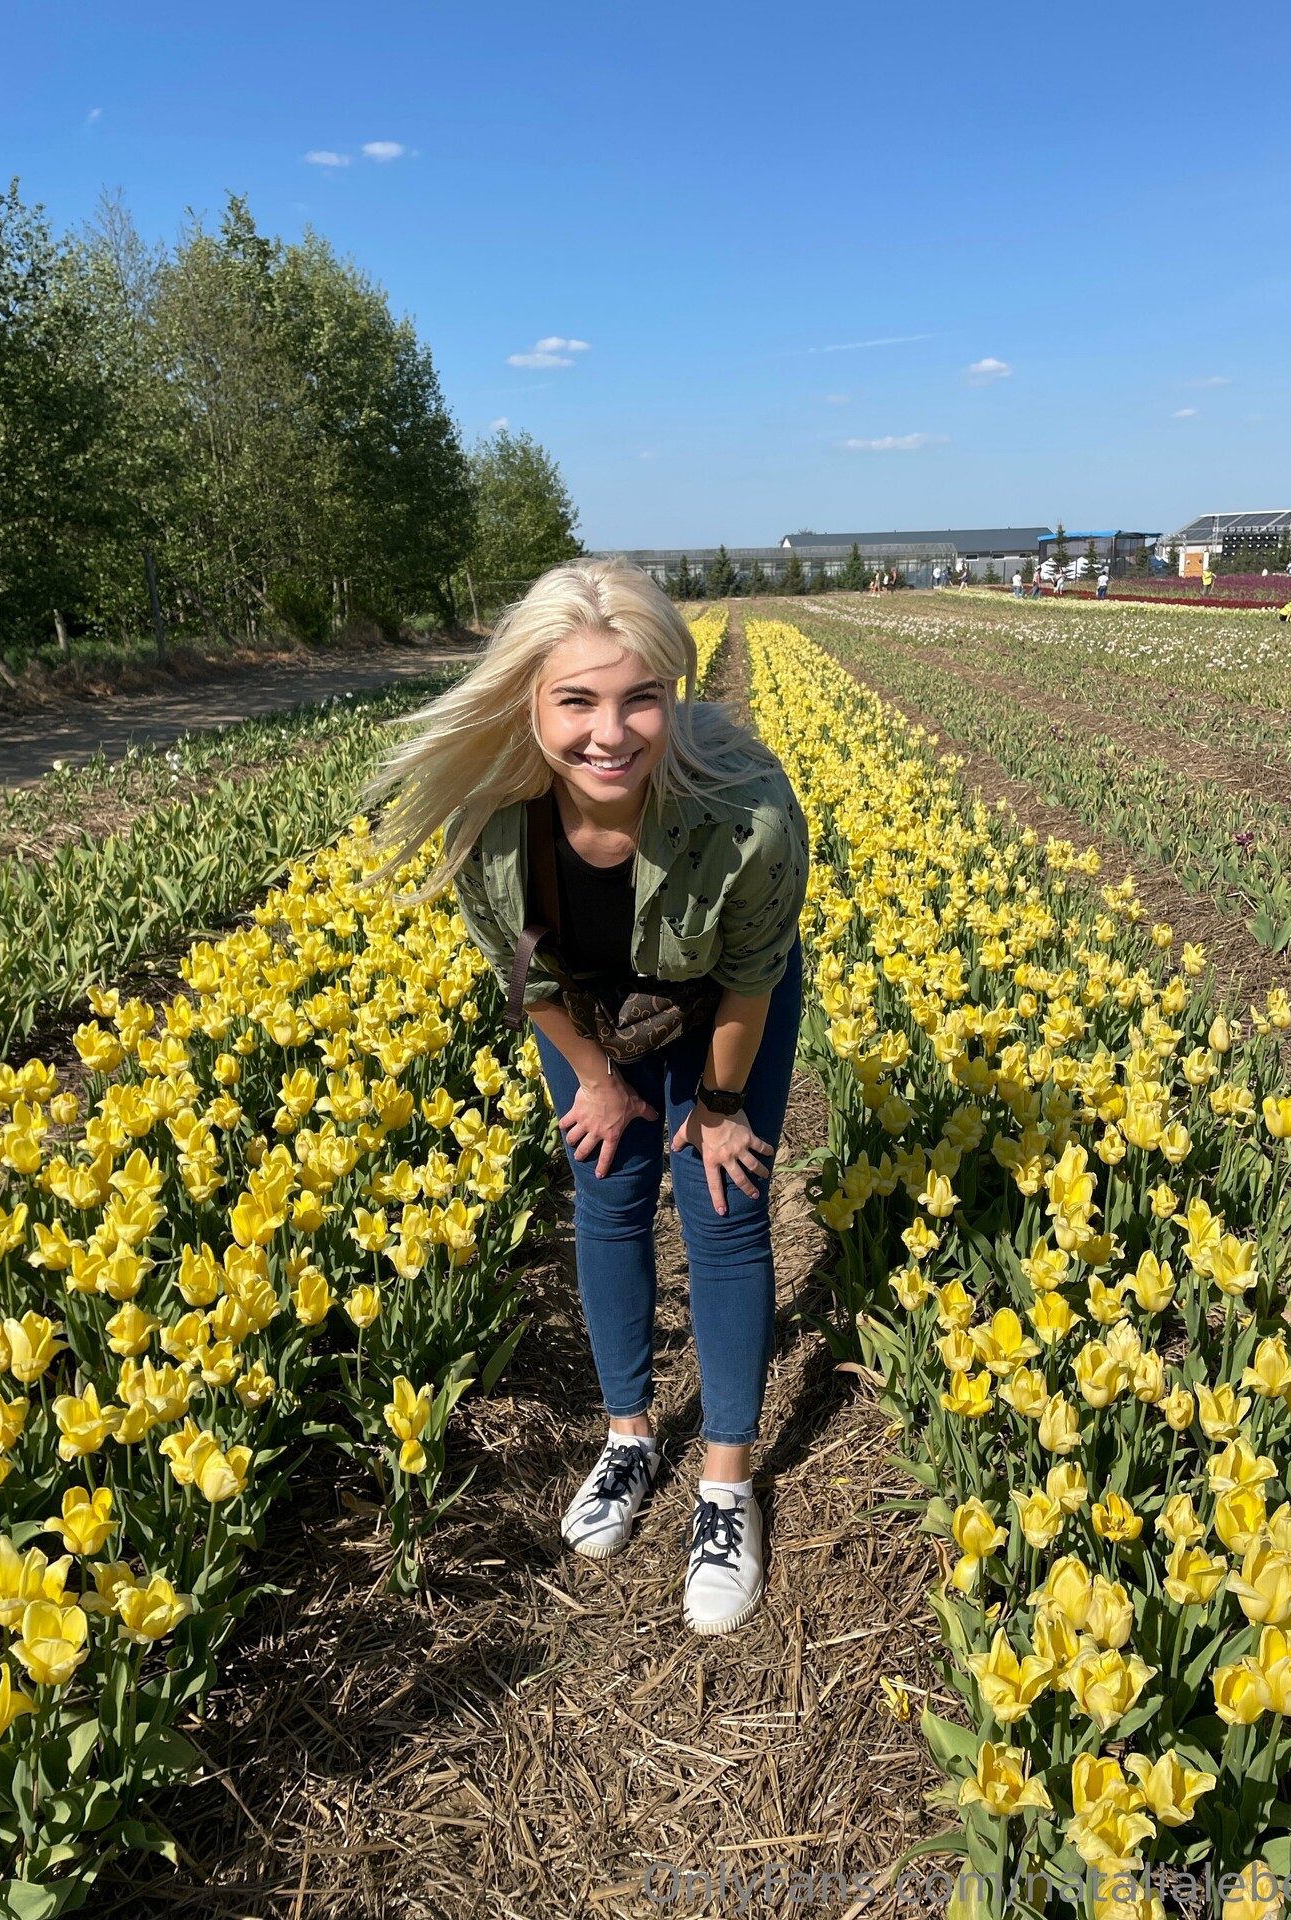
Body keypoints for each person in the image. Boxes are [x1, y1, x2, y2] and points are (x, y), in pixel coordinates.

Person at [373, 560, 809, 1636]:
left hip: (722, 1000)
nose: (610, 734)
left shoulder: (747, 810)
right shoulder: (492, 818)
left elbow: (752, 977)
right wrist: (602, 1081)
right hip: (583, 1002)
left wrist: (716, 1106)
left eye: (639, 698)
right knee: (607, 1188)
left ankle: (725, 1486)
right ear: (528, 700)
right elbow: (519, 974)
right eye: (576, 700)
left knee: (723, 1201)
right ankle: (628, 1438)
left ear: (673, 692)